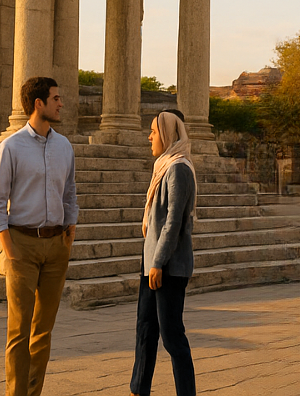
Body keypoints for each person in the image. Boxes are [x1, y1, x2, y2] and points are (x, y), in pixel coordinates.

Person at [0, 76, 78, 396]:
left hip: (56, 246)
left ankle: (33, 392)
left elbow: (70, 193)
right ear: (38, 104)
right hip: (21, 244)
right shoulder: (10, 147)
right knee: (19, 332)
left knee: (43, 331)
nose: (60, 103)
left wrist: (70, 230)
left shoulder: (64, 146)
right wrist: (10, 249)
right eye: (55, 98)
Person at [130, 110, 199, 396]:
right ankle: (139, 389)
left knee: (172, 336)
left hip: (168, 267)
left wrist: (158, 262)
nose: (150, 137)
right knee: (146, 329)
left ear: (168, 134)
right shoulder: (164, 167)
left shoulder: (178, 169)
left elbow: (174, 221)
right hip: (153, 264)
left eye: (154, 132)